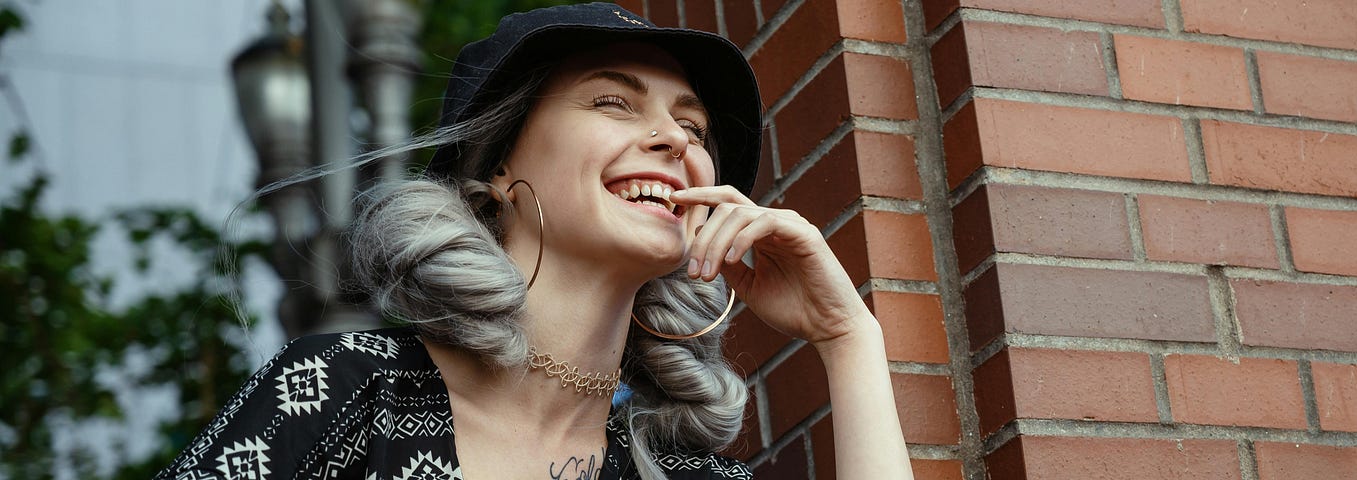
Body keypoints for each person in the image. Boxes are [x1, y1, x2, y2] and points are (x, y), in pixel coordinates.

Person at [156, 3, 912, 479]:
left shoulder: (687, 474)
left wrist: (850, 340)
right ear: (496, 165)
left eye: (694, 128)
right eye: (614, 101)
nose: (671, 140)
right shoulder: (345, 392)